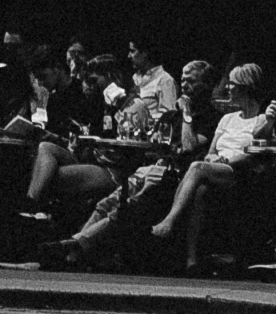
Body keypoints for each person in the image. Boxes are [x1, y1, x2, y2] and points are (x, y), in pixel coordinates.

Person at [46, 62, 219, 272]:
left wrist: (187, 114)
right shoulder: (171, 115)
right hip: (151, 167)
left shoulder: (209, 117)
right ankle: (73, 251)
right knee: (107, 203)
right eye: (182, 80)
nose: (184, 85)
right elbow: (154, 142)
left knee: (126, 207)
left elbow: (189, 146)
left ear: (207, 85)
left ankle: (75, 245)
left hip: (174, 175)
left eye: (191, 81)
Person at [149, 64, 274, 274]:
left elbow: (257, 152)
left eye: (233, 85)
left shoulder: (262, 120)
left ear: (247, 87)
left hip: (240, 171)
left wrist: (227, 161)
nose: (228, 89)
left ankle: (170, 221)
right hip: (216, 168)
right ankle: (191, 259)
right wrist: (214, 158)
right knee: (201, 191)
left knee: (196, 166)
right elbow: (210, 151)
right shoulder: (227, 119)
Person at [16, 47, 105, 222]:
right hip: (63, 152)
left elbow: (89, 136)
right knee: (33, 152)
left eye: (43, 76)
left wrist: (52, 138)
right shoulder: (54, 100)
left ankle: (33, 207)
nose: (41, 83)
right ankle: (37, 213)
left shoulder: (83, 91)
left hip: (84, 155)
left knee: (45, 149)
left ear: (57, 68)